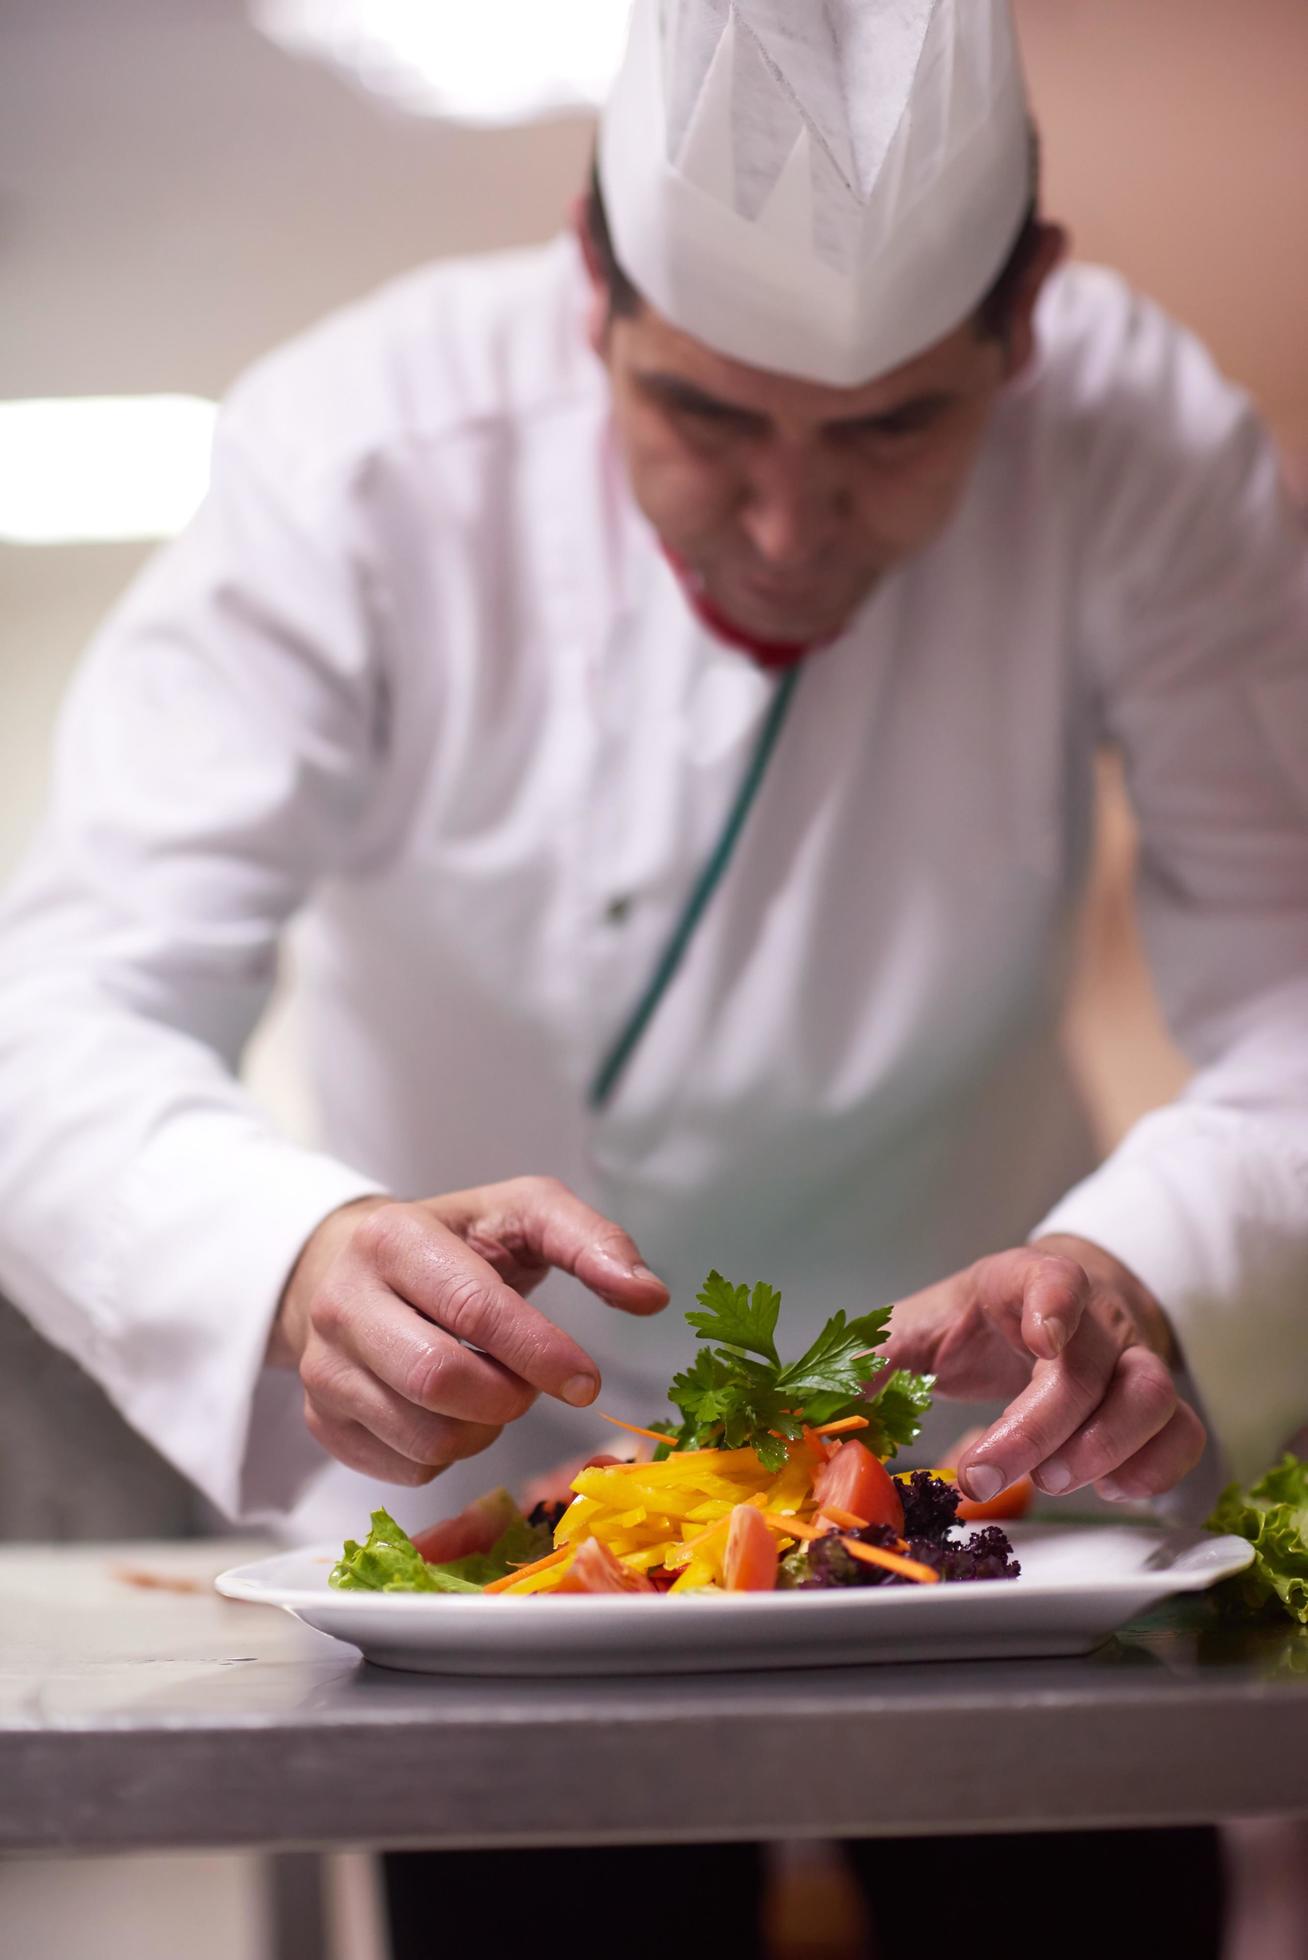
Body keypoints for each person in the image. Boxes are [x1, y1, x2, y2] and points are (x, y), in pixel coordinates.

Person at [0, 2, 1305, 1948]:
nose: (787, 527)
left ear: (1024, 313)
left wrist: (1156, 1266)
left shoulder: (1150, 445)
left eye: (891, 428)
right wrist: (287, 1256)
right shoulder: (353, 449)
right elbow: (62, 997)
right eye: (702, 414)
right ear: (588, 281)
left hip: (997, 1464)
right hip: (508, 1485)